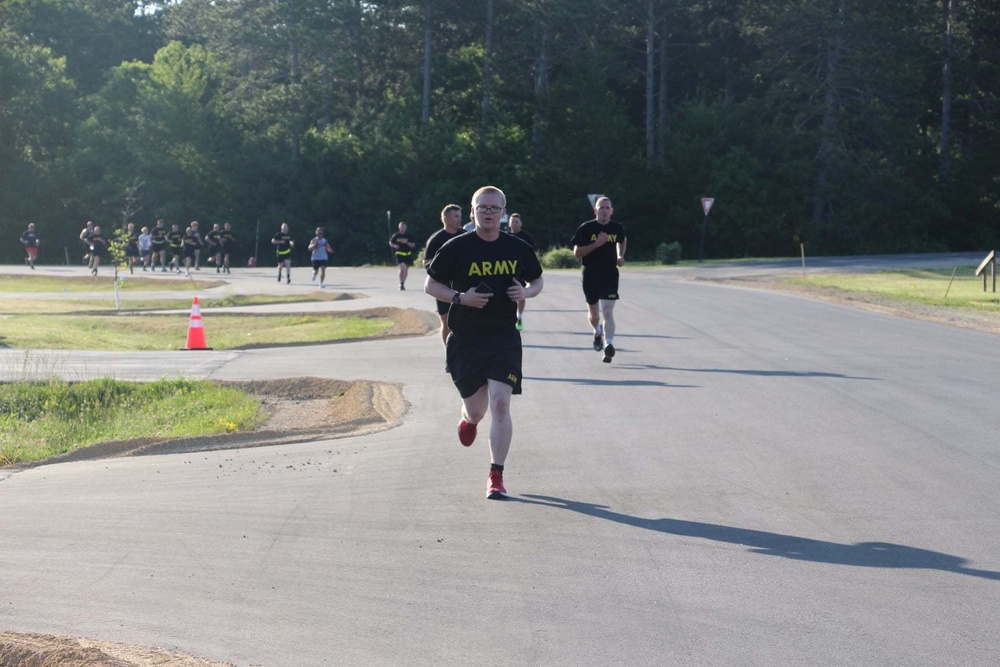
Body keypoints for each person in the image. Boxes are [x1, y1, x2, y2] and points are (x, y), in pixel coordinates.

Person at [425, 185, 544, 500]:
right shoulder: (456, 247)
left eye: (494, 208)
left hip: (503, 337)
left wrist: (526, 293)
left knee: (501, 404)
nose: (488, 212)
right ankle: (468, 419)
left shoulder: (517, 247)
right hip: (466, 339)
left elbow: (537, 280)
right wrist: (460, 298)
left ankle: (496, 474)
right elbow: (430, 284)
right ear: (473, 211)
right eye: (483, 207)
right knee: (476, 411)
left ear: (503, 212)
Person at [571, 195, 627, 363]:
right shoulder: (586, 228)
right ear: (595, 210)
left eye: (607, 208)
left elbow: (622, 240)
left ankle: (608, 345)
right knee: (594, 314)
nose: (604, 211)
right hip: (590, 275)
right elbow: (577, 253)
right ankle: (597, 331)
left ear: (611, 211)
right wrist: (597, 244)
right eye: (601, 208)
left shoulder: (617, 228)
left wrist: (620, 255)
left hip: (610, 274)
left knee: (608, 311)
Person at [423, 204, 465, 349]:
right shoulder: (436, 239)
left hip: (465, 286)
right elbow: (427, 262)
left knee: (467, 321)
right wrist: (442, 272)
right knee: (446, 322)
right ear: (445, 218)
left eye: (460, 216)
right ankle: (449, 354)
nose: (460, 219)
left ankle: (466, 354)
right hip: (443, 288)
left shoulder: (466, 236)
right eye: (456, 216)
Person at [506, 213, 536, 331]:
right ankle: (509, 318)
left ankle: (519, 316)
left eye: (517, 221)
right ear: (509, 223)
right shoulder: (504, 236)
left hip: (521, 271)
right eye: (512, 221)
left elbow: (531, 254)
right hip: (507, 270)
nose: (514, 224)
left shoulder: (526, 237)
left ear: (521, 223)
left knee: (520, 295)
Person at [389, 222, 416, 290]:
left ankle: (402, 283)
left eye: (403, 227)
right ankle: (401, 283)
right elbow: (390, 242)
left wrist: (406, 242)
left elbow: (413, 245)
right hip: (399, 254)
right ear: (399, 227)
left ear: (406, 227)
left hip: (407, 254)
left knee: (406, 270)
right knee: (402, 268)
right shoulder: (396, 235)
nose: (402, 229)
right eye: (401, 227)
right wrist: (395, 245)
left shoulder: (409, 235)